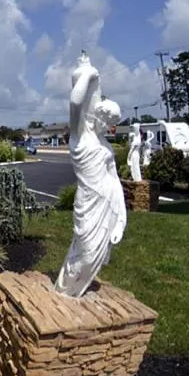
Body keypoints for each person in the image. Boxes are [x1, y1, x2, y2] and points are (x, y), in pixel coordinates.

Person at [54, 52, 127, 297]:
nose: (104, 127)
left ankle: (72, 291)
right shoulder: (79, 137)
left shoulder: (104, 144)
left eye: (108, 124)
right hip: (88, 204)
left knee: (94, 255)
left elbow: (114, 179)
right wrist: (88, 74)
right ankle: (64, 291)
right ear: (94, 115)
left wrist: (121, 218)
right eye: (102, 120)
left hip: (107, 203)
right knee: (85, 253)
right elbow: (76, 103)